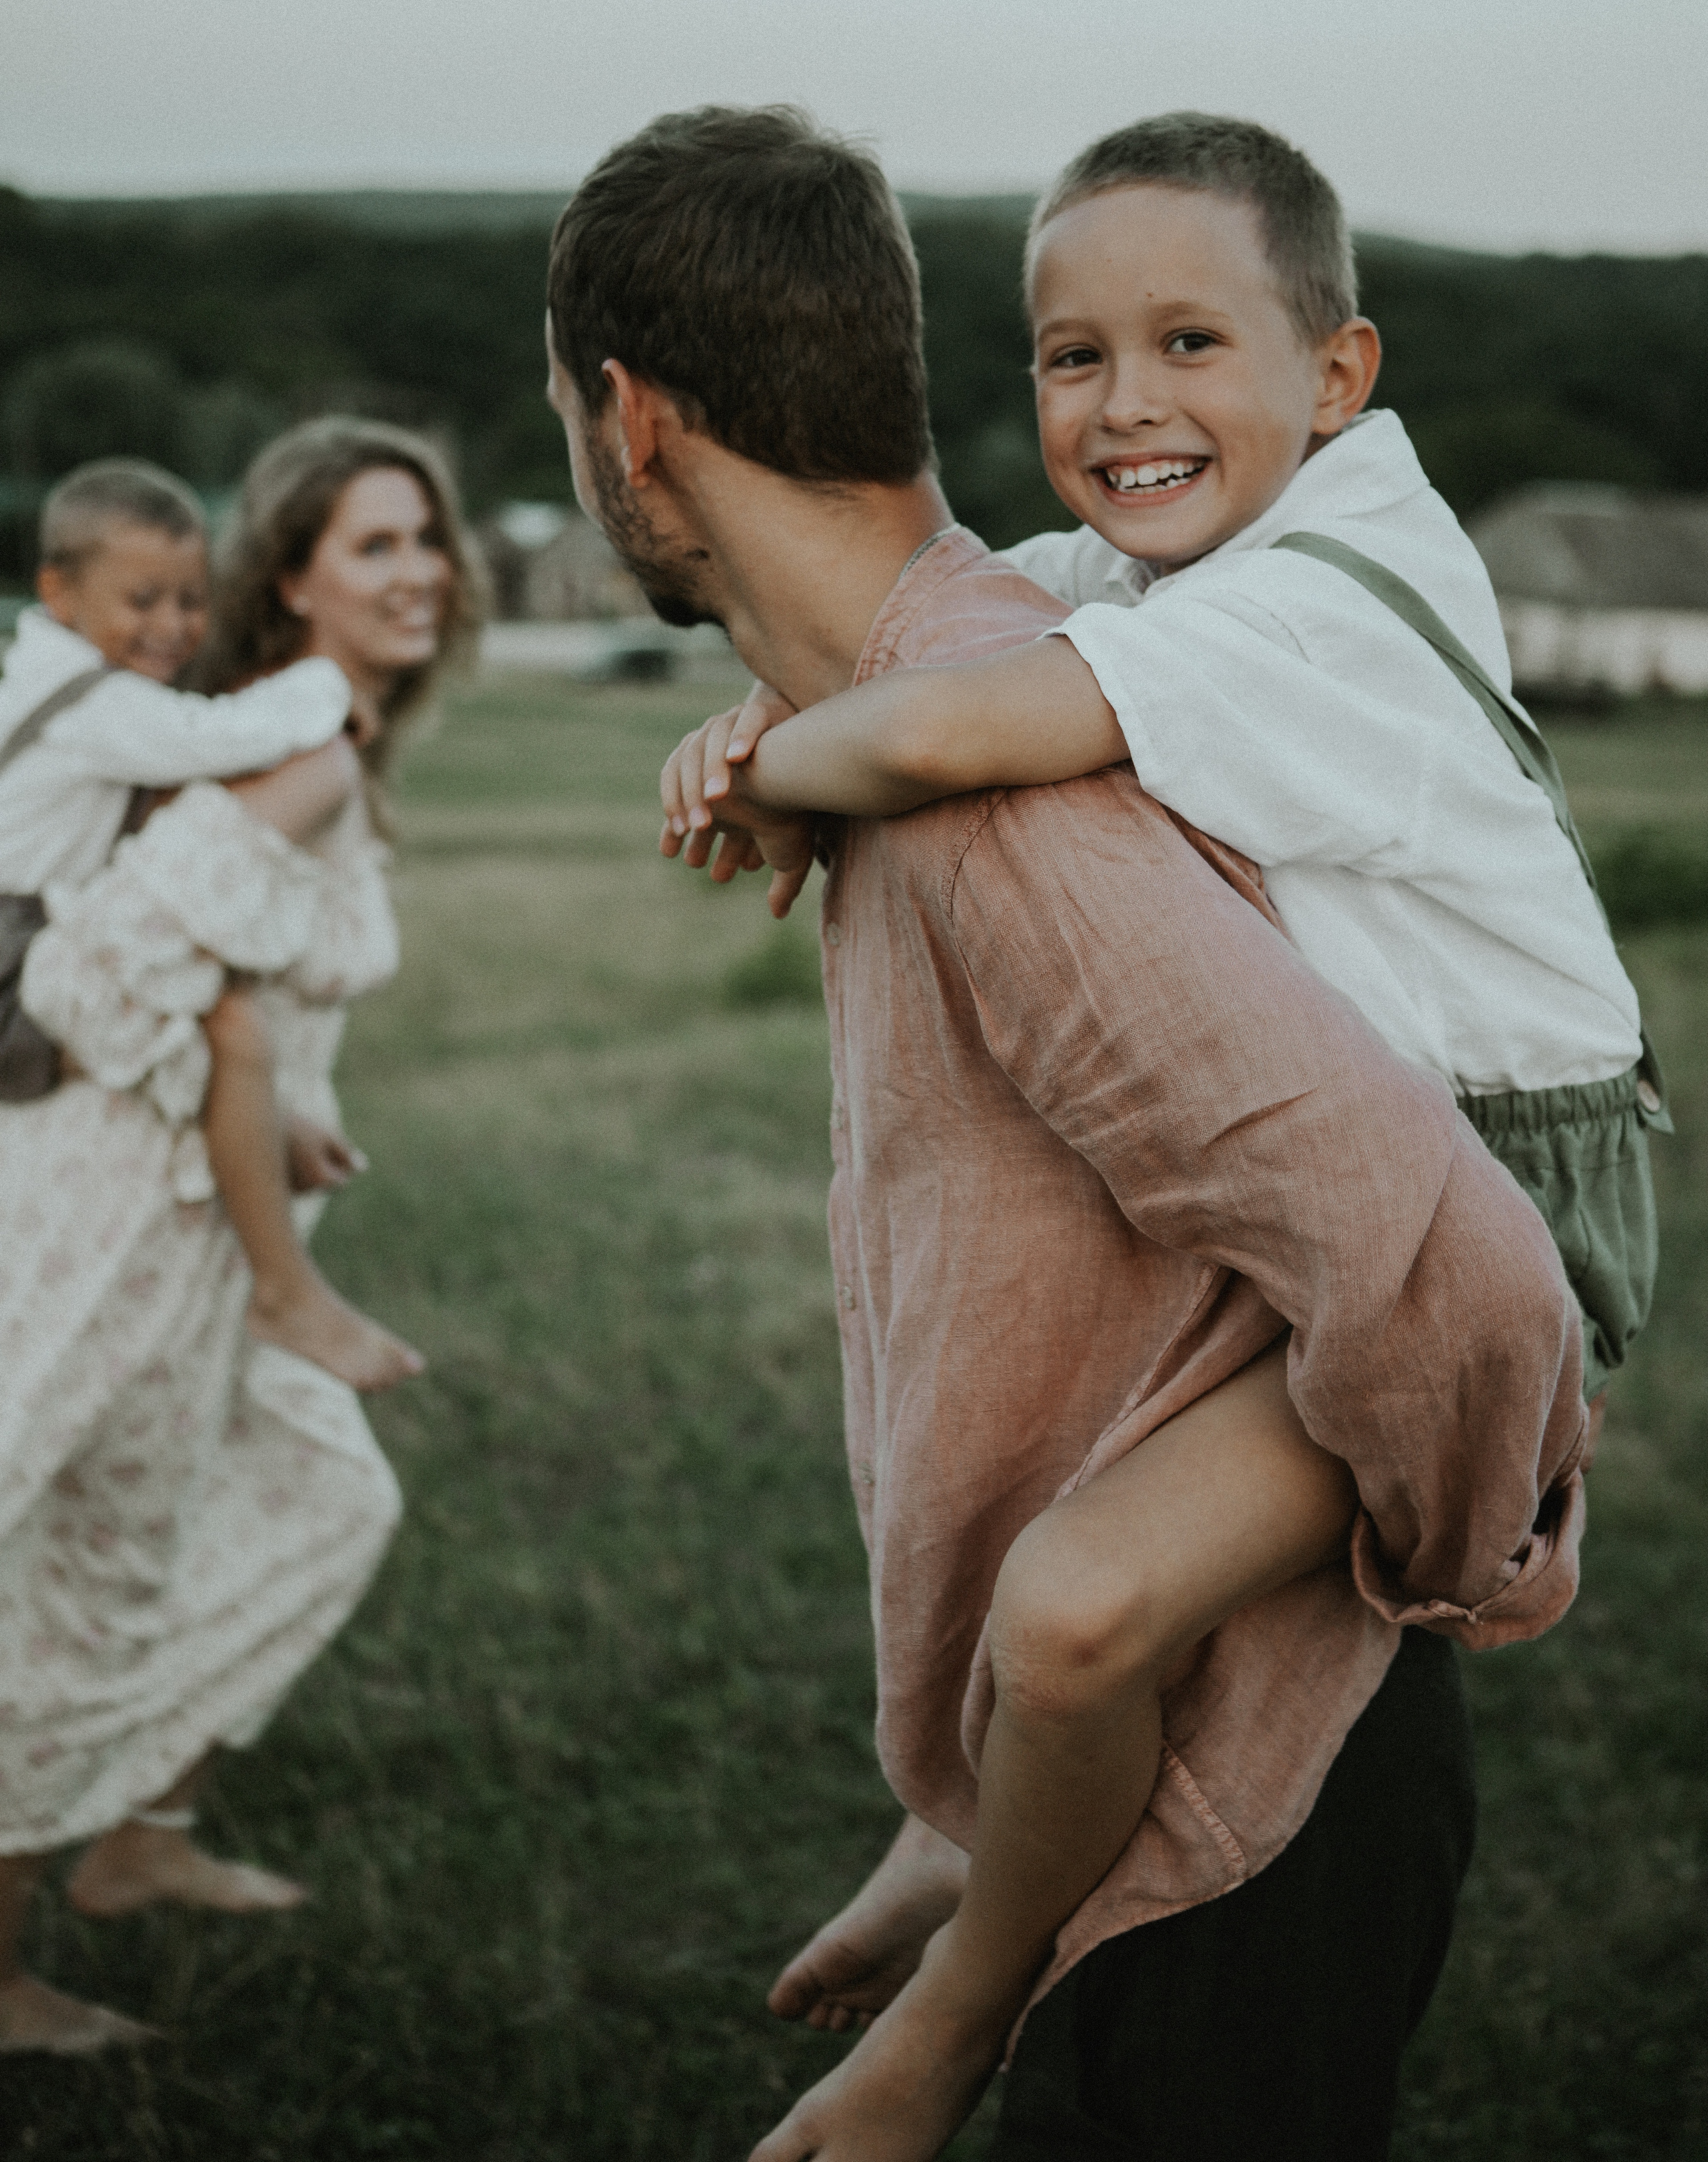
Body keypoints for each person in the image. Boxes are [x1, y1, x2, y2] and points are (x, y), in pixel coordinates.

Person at [546, 106, 1590, 2162]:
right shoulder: (1007, 666)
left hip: (1235, 1815)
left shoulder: (1005, 794)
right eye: (1079, 356)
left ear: (630, 420)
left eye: (1192, 346)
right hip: (1116, 1766)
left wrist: (1472, 1557)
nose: (1131, 400)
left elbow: (1472, 1280)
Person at [0, 418, 482, 2058]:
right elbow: (98, 973)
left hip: (217, 1215)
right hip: (126, 1215)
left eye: (426, 537)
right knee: (71, 1567)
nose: (419, 571)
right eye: (373, 545)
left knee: (323, 1499)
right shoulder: (299, 754)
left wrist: (280, 1114)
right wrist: (246, 1115)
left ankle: (139, 1834)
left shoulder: (316, 744)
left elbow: (227, 989)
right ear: (289, 578)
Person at [0, 456, 422, 1391]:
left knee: (217, 1025)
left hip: (29, 932)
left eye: (191, 600)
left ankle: (271, 1203)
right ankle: (285, 1288)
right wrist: (322, 688)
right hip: (11, 951)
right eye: (142, 599)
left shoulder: (55, 680)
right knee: (229, 1032)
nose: (172, 625)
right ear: (59, 593)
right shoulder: (96, 706)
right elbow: (217, 737)